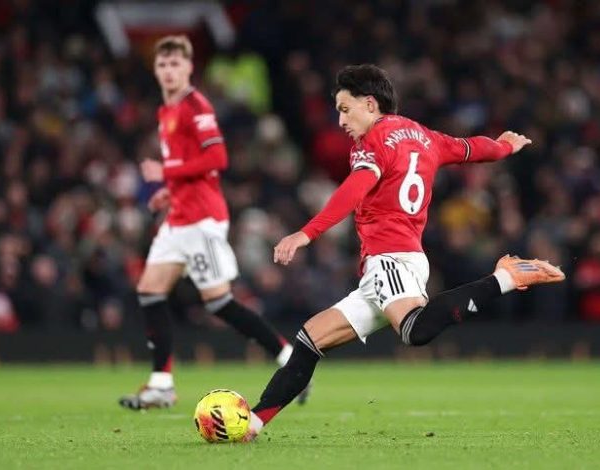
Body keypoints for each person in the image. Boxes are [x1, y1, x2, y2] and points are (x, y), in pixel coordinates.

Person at [241, 64, 565, 440]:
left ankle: (505, 278)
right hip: (396, 262)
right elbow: (472, 149)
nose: (340, 120)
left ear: (370, 104)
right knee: (310, 339)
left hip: (389, 258)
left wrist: (305, 233)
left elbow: (355, 188)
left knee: (415, 330)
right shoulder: (424, 136)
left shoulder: (372, 142)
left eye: (345, 109)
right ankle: (253, 423)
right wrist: (505, 146)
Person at [119, 36, 305, 410]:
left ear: (189, 68)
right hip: (178, 217)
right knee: (150, 290)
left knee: (219, 303)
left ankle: (290, 360)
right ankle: (161, 385)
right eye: (162, 64)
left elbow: (217, 158)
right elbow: (190, 167)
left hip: (202, 220)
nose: (169, 71)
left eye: (176, 64)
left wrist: (166, 172)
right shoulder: (166, 111)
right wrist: (169, 191)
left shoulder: (196, 106)